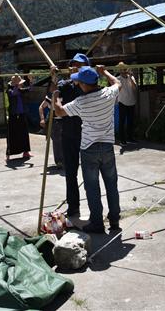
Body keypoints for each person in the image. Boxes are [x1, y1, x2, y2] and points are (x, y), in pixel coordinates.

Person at [53, 65, 121, 233]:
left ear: (83, 84)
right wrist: (104, 71)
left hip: (89, 149)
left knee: (92, 187)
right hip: (107, 147)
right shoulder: (108, 93)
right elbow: (118, 82)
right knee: (111, 185)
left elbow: (60, 112)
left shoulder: (81, 102)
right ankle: (114, 221)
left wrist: (56, 98)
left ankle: (97, 223)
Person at [55, 53, 90, 218]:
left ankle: (94, 210)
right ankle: (73, 207)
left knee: (91, 174)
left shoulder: (90, 85)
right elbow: (53, 96)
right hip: (69, 135)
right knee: (71, 173)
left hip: (88, 135)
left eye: (80, 65)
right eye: (74, 64)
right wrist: (54, 78)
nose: (76, 67)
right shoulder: (64, 84)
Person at [6, 75, 32, 161]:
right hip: (13, 114)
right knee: (12, 134)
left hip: (22, 114)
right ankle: (9, 153)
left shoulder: (21, 90)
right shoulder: (9, 90)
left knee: (24, 133)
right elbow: (13, 93)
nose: (21, 85)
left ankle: (26, 151)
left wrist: (31, 81)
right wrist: (17, 85)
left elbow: (30, 89)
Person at [39, 86, 63, 168]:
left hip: (65, 120)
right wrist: (42, 119)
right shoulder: (49, 97)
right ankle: (59, 161)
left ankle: (66, 159)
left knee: (66, 141)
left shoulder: (65, 94)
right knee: (57, 142)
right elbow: (41, 107)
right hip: (54, 121)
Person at [116, 62, 137, 145]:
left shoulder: (131, 77)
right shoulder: (118, 78)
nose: (123, 70)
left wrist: (131, 77)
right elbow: (118, 89)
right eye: (121, 69)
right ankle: (122, 140)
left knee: (130, 121)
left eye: (124, 69)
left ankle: (130, 138)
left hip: (131, 101)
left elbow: (135, 87)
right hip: (122, 102)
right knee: (122, 121)